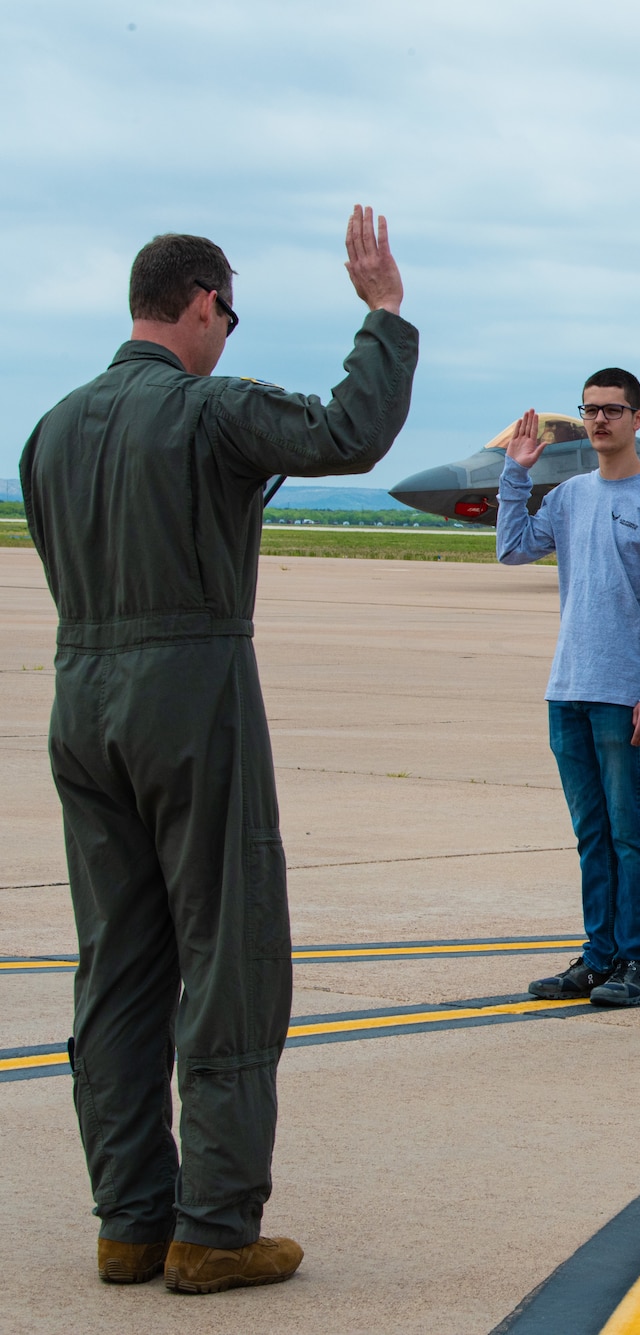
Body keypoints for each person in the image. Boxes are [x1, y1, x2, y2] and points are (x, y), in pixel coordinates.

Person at [18, 210, 414, 1293]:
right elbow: (347, 433)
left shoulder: (49, 428)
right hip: (188, 691)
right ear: (201, 304)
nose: (226, 338)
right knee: (228, 957)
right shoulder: (204, 414)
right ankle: (213, 1228)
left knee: (117, 966)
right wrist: (382, 315)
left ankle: (128, 1222)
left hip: (79, 697)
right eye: (225, 318)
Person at [495, 371, 640, 1008]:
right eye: (590, 411)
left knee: (629, 830)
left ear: (639, 418)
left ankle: (635, 961)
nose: (599, 420)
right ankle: (598, 956)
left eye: (612, 410)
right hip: (569, 688)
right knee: (591, 832)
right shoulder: (570, 494)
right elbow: (512, 550)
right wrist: (516, 475)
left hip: (625, 691)